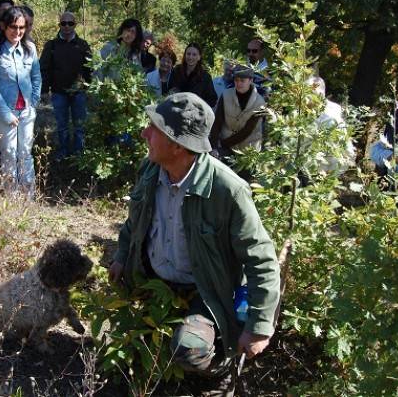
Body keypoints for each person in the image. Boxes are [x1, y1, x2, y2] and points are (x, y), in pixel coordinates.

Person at [109, 92, 280, 396]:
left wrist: (258, 326)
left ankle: (221, 368)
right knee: (132, 346)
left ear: (178, 145)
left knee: (189, 349)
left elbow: (261, 260)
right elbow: (134, 223)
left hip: (207, 291)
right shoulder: (150, 170)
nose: (144, 133)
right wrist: (122, 256)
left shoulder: (227, 190)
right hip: (156, 281)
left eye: (154, 129)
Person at [0, 7, 41, 197]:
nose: (17, 32)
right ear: (3, 26)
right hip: (3, 112)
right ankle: (11, 197)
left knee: (25, 152)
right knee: (9, 153)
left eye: (21, 27)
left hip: (26, 111)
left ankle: (28, 196)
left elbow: (36, 77)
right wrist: (6, 113)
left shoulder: (29, 48)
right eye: (13, 27)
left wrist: (33, 103)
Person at [40, 11, 92, 159]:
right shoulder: (51, 45)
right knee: (61, 126)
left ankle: (79, 153)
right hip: (59, 92)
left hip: (79, 93)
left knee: (79, 125)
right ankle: (63, 151)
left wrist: (89, 88)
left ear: (75, 25)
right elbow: (44, 68)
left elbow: (90, 68)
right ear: (59, 25)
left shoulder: (83, 45)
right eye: (63, 23)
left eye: (70, 23)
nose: (67, 26)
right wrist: (44, 90)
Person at [209, 65, 266, 161]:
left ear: (251, 80)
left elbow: (247, 131)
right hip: (225, 145)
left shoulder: (260, 102)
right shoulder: (226, 95)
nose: (239, 83)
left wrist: (221, 144)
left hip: (248, 150)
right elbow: (217, 121)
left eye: (242, 81)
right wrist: (214, 147)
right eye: (236, 80)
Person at [306, 76, 355, 174]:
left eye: (311, 93)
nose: (308, 99)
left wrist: (348, 158)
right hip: (306, 165)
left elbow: (342, 139)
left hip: (327, 166)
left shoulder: (331, 114)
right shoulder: (303, 111)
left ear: (321, 93)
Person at [168, 42, 218, 108]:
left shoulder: (205, 77)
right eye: (188, 54)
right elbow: (170, 89)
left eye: (194, 54)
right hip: (176, 110)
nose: (190, 57)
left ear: (199, 57)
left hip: (195, 114)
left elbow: (212, 99)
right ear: (185, 55)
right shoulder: (176, 71)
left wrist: (199, 106)